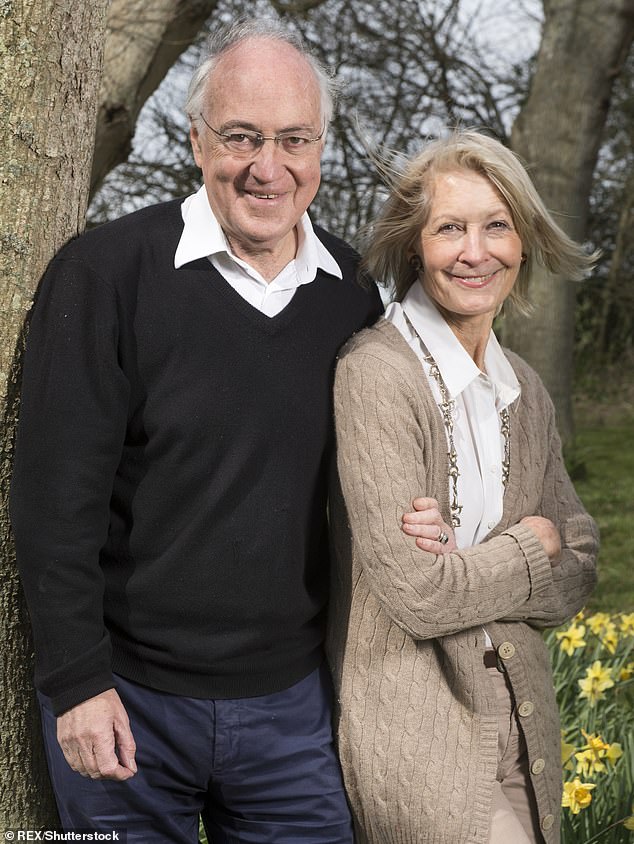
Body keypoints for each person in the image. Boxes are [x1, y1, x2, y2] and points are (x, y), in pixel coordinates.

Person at [10, 18, 383, 844]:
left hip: (293, 710)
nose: (268, 166)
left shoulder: (352, 296)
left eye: (294, 139)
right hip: (127, 703)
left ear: (321, 147)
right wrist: (76, 683)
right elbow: (52, 498)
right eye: (242, 136)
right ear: (194, 139)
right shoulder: (107, 273)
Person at [327, 129, 599, 844]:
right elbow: (420, 596)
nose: (475, 252)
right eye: (450, 228)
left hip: (521, 718)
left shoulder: (524, 390)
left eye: (496, 226)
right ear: (415, 244)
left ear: (524, 241)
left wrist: (479, 561)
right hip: (420, 733)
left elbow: (580, 565)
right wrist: (526, 546)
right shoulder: (377, 375)